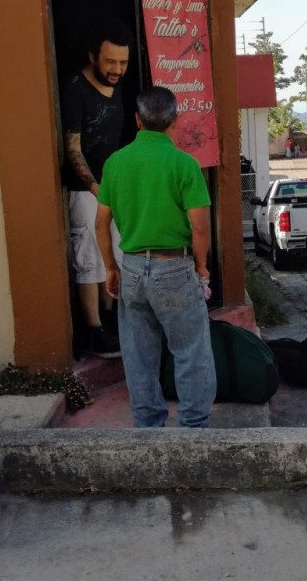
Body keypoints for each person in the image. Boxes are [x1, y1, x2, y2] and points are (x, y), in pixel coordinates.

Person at [95, 86, 216, 428]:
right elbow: (200, 226)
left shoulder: (115, 163)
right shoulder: (184, 164)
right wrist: (201, 267)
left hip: (132, 268)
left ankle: (149, 429)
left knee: (138, 357)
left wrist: (111, 267)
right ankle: (194, 429)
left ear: (137, 120)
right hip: (174, 267)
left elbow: (101, 224)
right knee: (190, 352)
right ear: (175, 120)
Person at [62, 22, 133, 358]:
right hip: (84, 190)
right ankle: (93, 331)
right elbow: (73, 149)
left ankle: (109, 321)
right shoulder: (75, 90)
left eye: (123, 62)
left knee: (113, 255)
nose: (117, 69)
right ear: (93, 57)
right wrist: (95, 187)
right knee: (89, 257)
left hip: (111, 187)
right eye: (110, 62)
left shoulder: (117, 87)